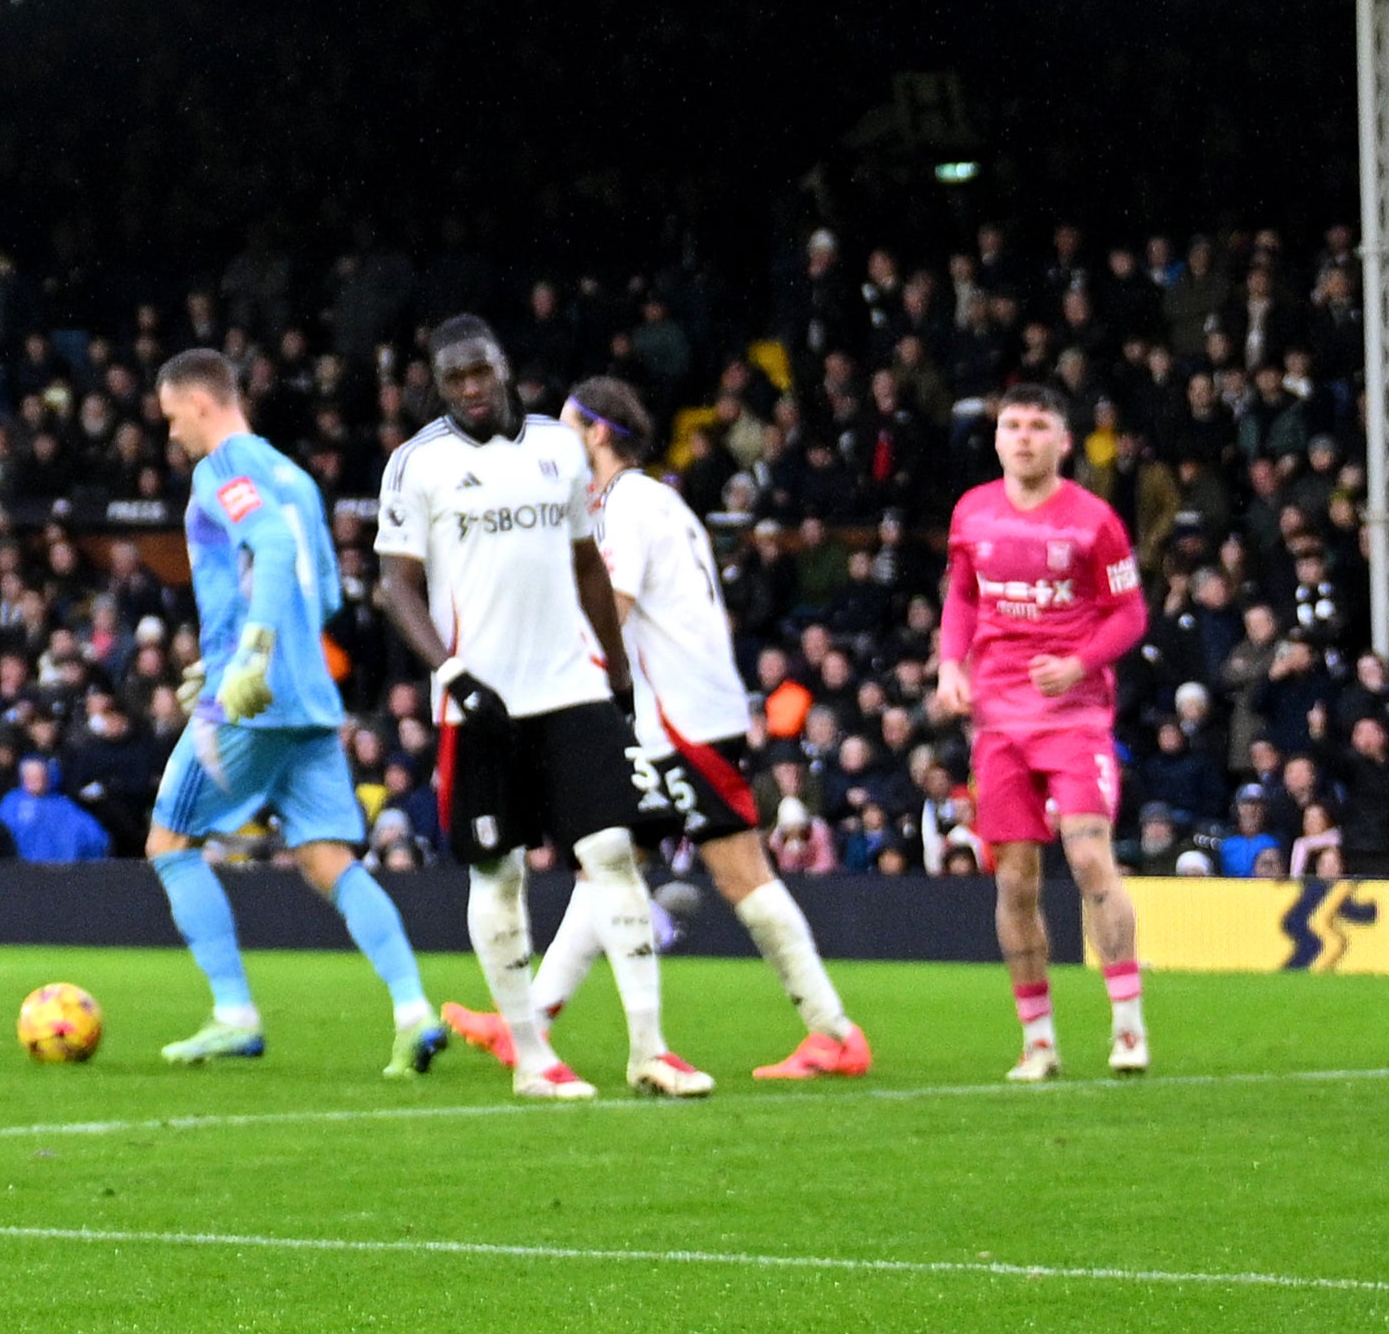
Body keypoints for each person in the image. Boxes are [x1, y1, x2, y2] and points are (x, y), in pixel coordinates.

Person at [524, 377, 870, 1086]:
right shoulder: (659, 500)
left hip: (681, 719)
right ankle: (527, 1022)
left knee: (740, 870)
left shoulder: (622, 507)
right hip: (683, 712)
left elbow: (607, 616)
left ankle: (833, 1030)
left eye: (565, 427)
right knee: (607, 862)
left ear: (595, 432)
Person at [370, 318, 659, 1103]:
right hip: (481, 700)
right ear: (436, 381)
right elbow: (393, 583)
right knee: (498, 874)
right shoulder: (418, 463)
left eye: (479, 370)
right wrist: (452, 672)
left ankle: (651, 1050)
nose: (469, 386)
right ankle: (532, 1057)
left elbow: (586, 562)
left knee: (612, 853)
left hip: (569, 685)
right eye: (452, 375)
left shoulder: (557, 447)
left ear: (503, 368)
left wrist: (619, 668)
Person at [136, 350, 446, 1078]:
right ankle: (412, 1010)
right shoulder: (298, 479)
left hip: (254, 696)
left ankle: (234, 1013)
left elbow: (269, 547)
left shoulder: (223, 470)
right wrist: (223, 653)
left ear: (200, 402)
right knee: (325, 856)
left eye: (172, 414)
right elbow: (328, 596)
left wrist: (245, 656)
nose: (170, 431)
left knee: (168, 843)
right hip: (310, 697)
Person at [943, 378, 1153, 1080]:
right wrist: (950, 665)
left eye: (1038, 425)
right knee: (1016, 882)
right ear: (998, 436)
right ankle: (1038, 1040)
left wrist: (1079, 661)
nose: (1024, 436)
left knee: (1091, 858)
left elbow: (1129, 614)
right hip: (999, 718)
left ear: (1063, 440)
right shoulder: (972, 512)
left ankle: (1127, 1026)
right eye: (1013, 424)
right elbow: (963, 596)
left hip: (1074, 715)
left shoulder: (1094, 520)